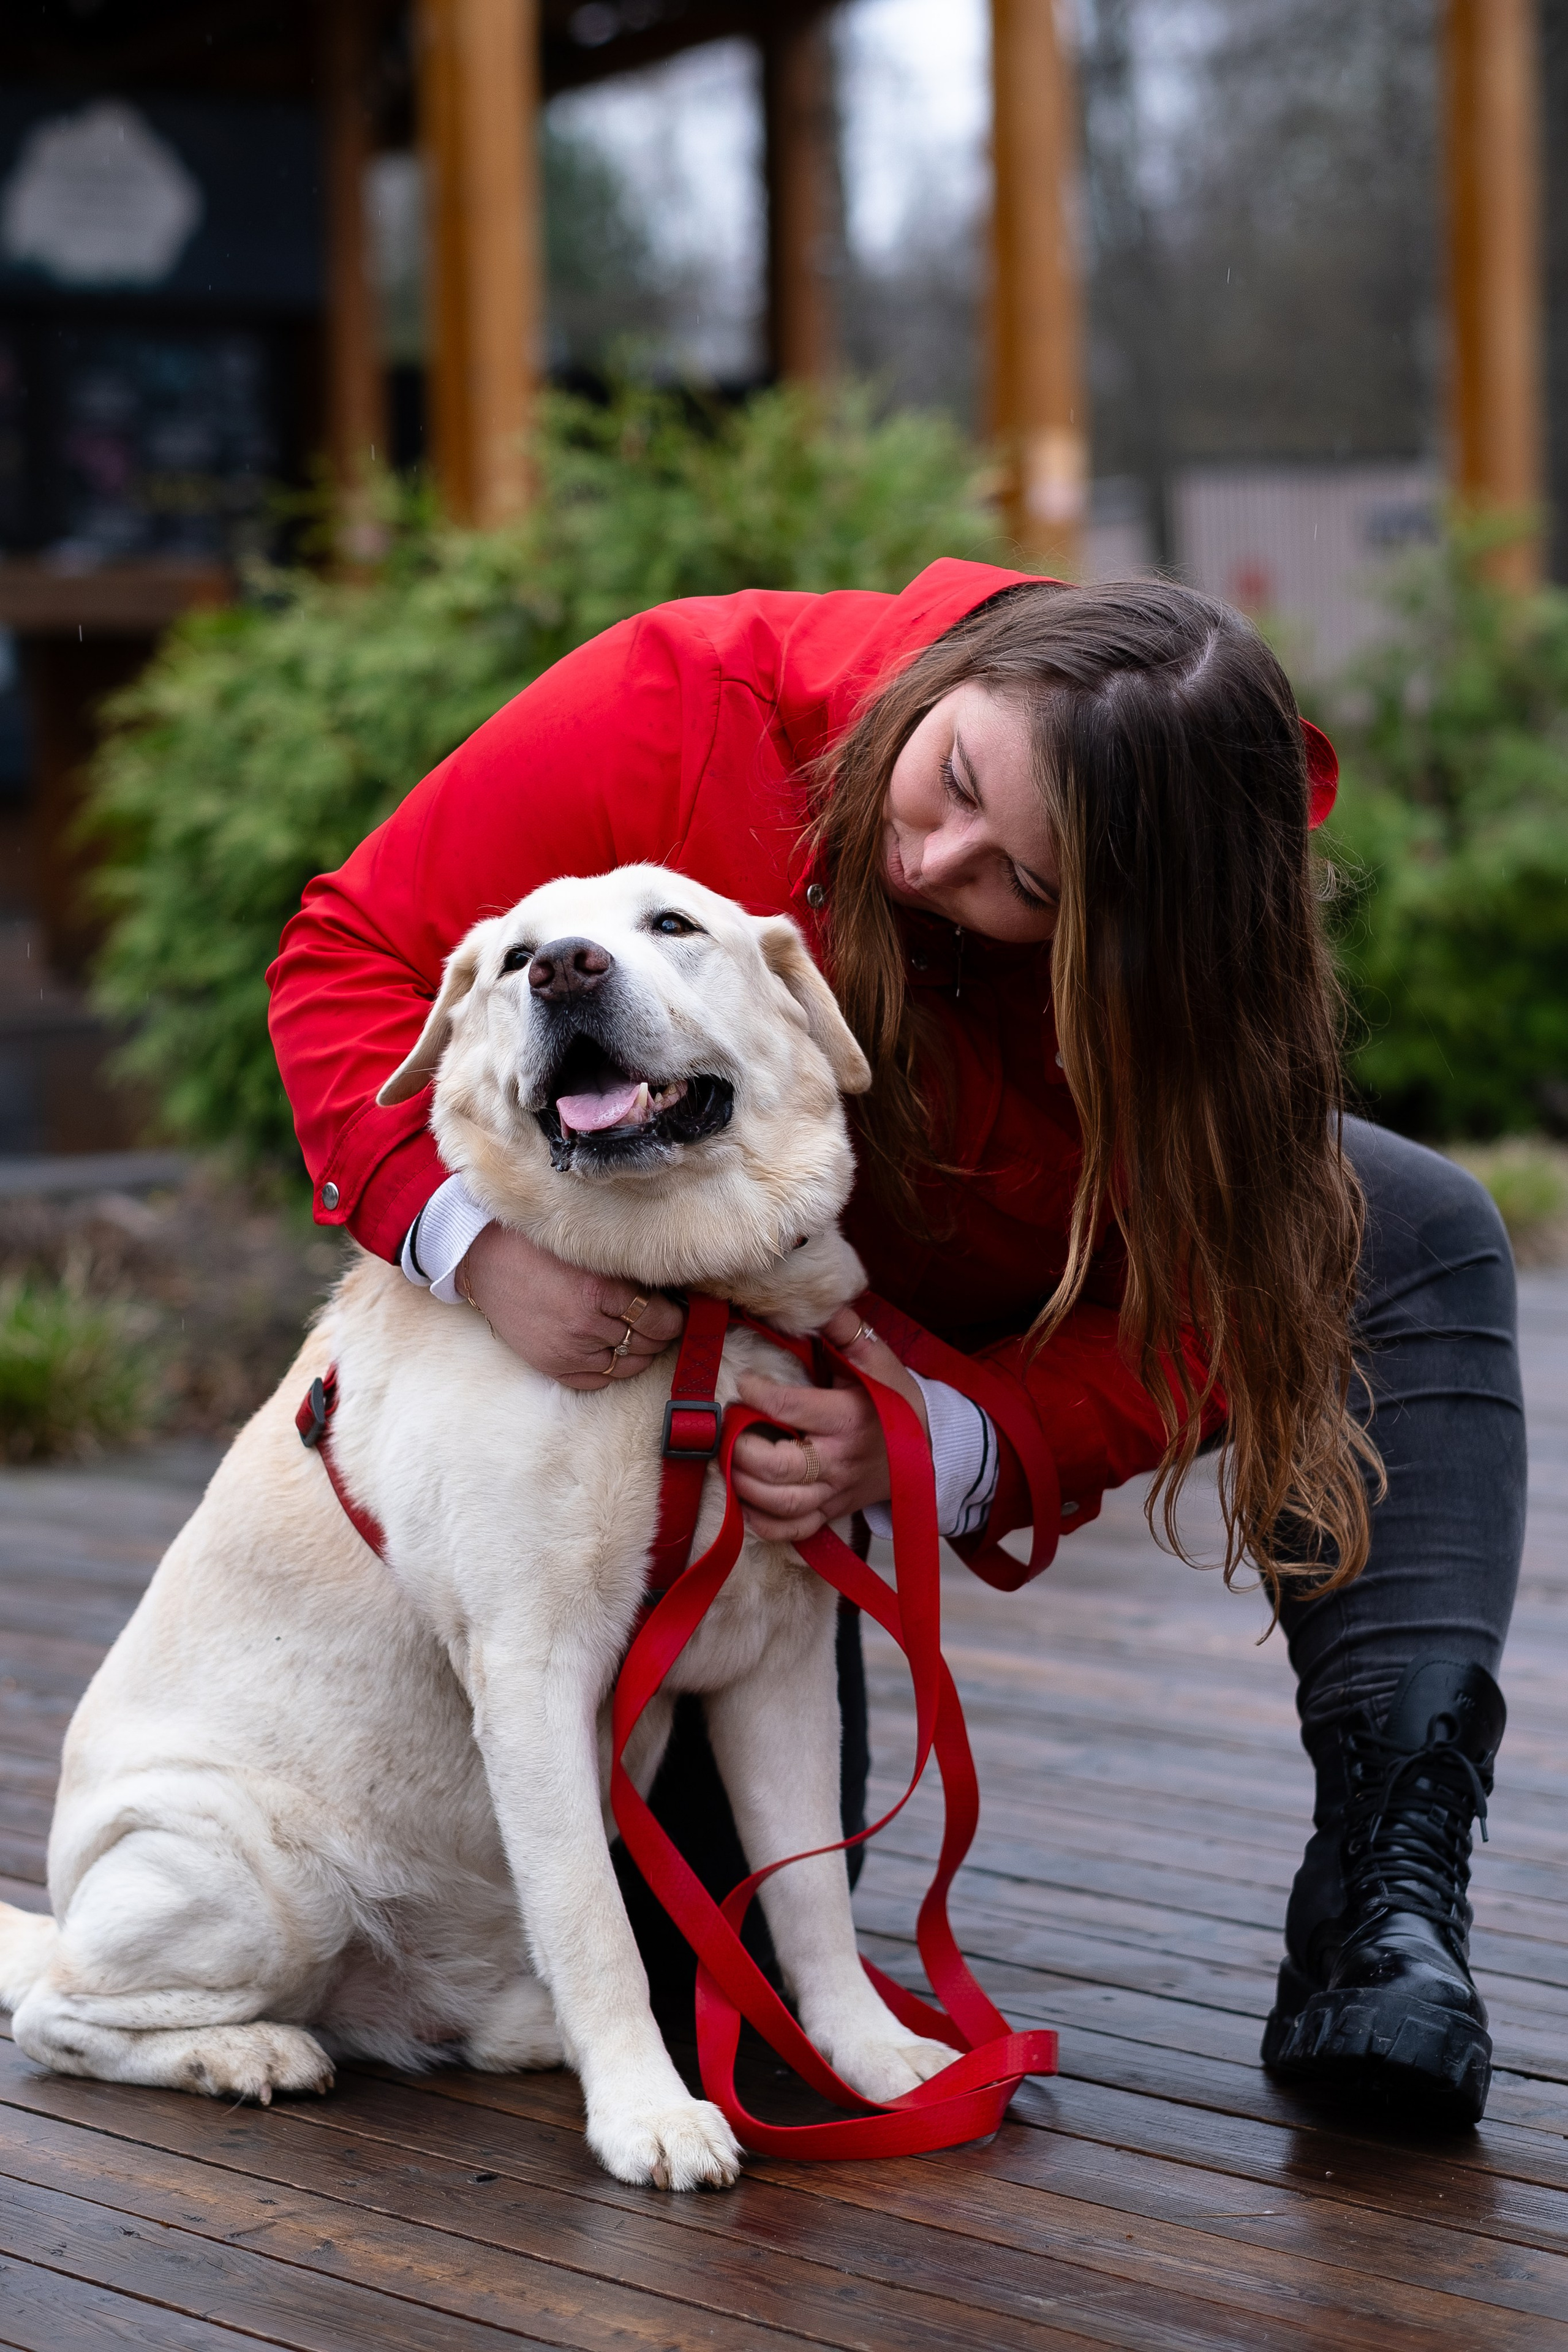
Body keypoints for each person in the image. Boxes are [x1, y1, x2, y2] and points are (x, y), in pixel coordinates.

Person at [268, 560, 1525, 2125]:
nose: (936, 861)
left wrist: (951, 1436)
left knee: (1401, 1223)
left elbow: (1228, 1293)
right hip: (666, 1353)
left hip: (951, 1311)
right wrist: (472, 1246)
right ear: (964, 665)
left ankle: (1386, 1883)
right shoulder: (687, 696)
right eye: (948, 781)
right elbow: (344, 958)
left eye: (1031, 892)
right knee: (688, 1977)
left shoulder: (1198, 976)